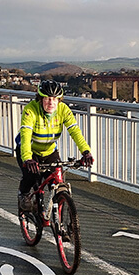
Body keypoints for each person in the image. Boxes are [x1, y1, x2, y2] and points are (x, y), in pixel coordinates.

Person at [16, 80, 94, 211]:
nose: (51, 103)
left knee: (57, 182)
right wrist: (27, 158)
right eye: (47, 99)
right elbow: (25, 135)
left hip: (50, 151)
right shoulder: (31, 110)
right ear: (40, 99)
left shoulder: (63, 110)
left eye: (54, 99)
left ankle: (59, 220)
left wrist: (86, 152)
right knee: (31, 176)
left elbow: (75, 131)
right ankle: (23, 195)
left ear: (59, 100)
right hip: (29, 150)